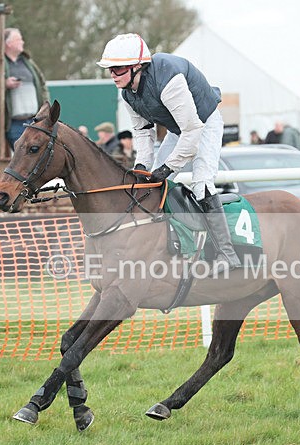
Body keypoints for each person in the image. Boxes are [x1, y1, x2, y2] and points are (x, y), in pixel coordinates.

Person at [97, 33, 240, 272]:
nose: (113, 74)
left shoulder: (168, 80)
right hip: (179, 129)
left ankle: (228, 254)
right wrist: (143, 165)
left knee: (202, 183)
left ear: (137, 66)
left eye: (118, 68)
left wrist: (167, 168)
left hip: (204, 123)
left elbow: (193, 130)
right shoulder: (126, 93)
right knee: (149, 185)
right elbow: (143, 132)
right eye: (110, 69)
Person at [0, 28, 48, 149]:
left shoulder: (28, 61)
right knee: (25, 156)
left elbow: (42, 83)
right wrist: (4, 83)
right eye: (19, 39)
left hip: (35, 120)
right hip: (14, 123)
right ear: (8, 43)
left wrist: (45, 106)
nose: (22, 42)